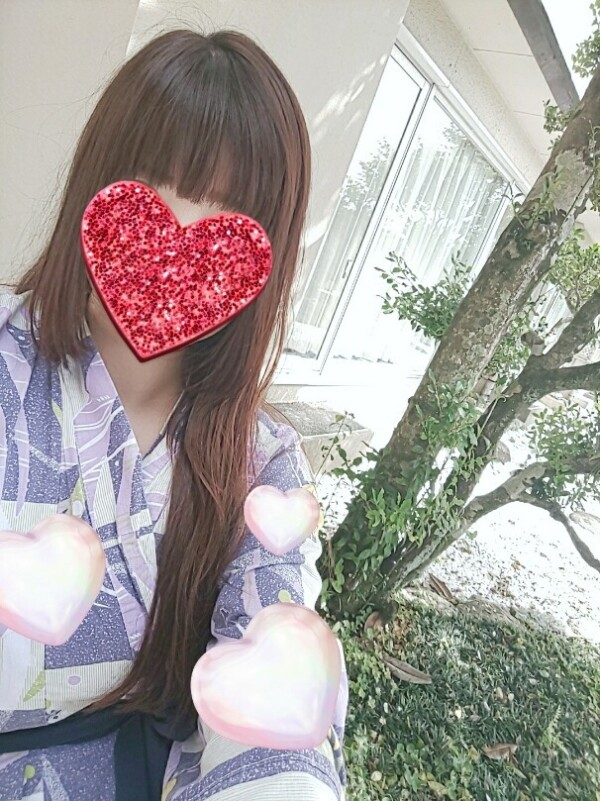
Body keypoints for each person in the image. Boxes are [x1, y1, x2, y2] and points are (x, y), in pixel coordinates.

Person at [0, 28, 348, 801]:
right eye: (154, 183)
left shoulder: (262, 464)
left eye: (229, 216)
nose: (181, 236)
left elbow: (274, 687)